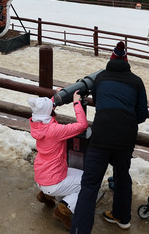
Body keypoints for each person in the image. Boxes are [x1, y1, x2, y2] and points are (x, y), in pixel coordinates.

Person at [70, 41, 148, 233]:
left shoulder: (101, 79)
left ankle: (80, 230)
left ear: (111, 59)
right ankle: (122, 218)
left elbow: (98, 102)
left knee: (89, 185)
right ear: (126, 61)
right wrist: (126, 120)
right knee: (122, 177)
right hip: (125, 137)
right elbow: (142, 115)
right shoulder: (137, 81)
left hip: (102, 135)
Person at [29, 92, 88, 230]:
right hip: (53, 181)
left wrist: (57, 97)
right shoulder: (55, 130)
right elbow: (82, 124)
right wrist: (76, 102)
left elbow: (44, 109)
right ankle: (63, 210)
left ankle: (46, 196)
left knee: (77, 175)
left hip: (41, 176)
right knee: (88, 182)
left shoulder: (35, 123)